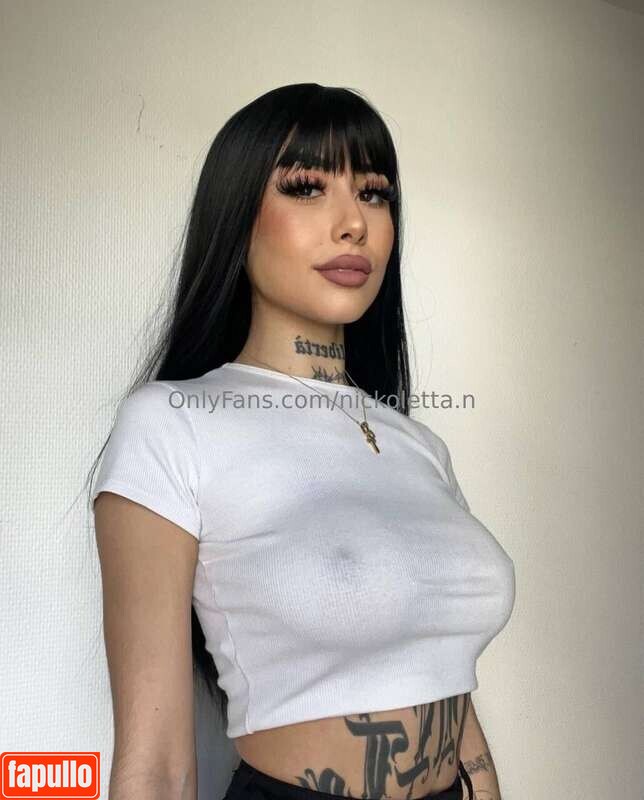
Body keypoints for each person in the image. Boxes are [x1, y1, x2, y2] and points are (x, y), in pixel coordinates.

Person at [89, 83, 515, 800]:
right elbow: (156, 765)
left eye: (374, 194)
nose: (354, 224)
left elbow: (447, 684)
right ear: (236, 217)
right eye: (307, 188)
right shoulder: (173, 424)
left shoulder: (420, 446)